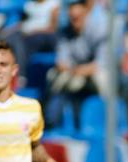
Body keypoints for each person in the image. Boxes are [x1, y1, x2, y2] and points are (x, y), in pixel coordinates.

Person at [45, 0, 107, 129]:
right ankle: (52, 119)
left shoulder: (98, 29)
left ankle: (107, 118)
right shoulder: (65, 31)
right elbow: (61, 62)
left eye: (78, 17)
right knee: (53, 76)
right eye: (72, 18)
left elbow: (101, 63)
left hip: (92, 72)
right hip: (75, 72)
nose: (74, 20)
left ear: (85, 13)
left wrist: (80, 70)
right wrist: (74, 70)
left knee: (102, 78)